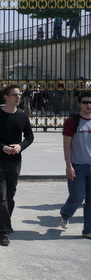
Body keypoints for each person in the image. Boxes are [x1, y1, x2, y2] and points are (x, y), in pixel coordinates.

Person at [0, 84, 34, 246]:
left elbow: (29, 137)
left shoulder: (22, 117)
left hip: (15, 160)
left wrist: (20, 146)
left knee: (10, 195)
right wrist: (1, 146)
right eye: (15, 95)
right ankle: (3, 231)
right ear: (6, 97)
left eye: (19, 95)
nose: (18, 97)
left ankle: (4, 222)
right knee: (0, 196)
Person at [58, 91, 91, 238]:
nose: (88, 105)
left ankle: (88, 230)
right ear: (79, 104)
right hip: (78, 166)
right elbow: (66, 146)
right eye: (85, 102)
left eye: (90, 102)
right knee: (78, 196)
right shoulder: (72, 121)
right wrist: (68, 165)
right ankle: (65, 214)